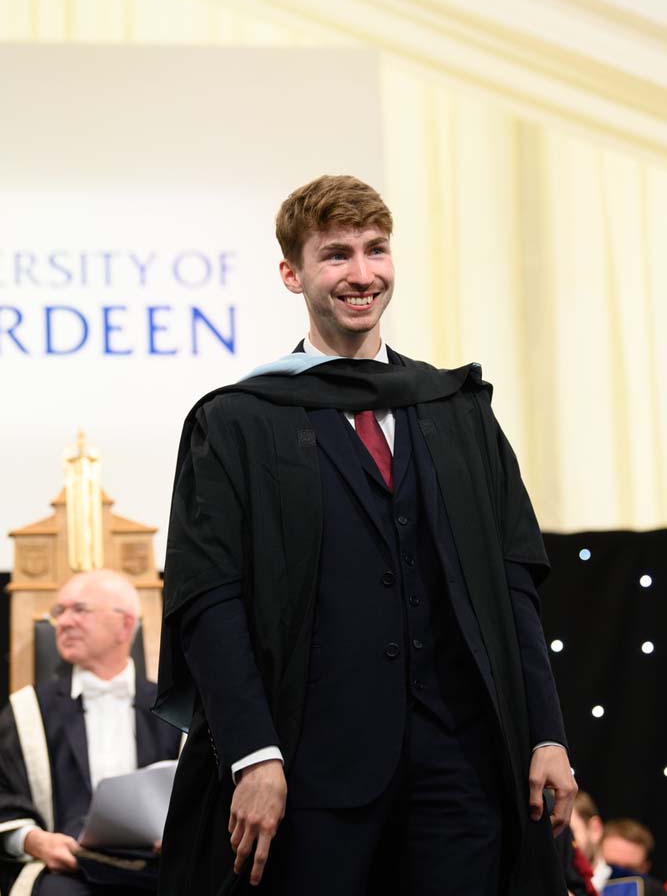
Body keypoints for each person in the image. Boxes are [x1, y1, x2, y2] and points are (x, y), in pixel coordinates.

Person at [155, 174, 577, 895]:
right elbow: (209, 600)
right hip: (310, 773)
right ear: (292, 274)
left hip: (460, 768)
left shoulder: (456, 411)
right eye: (336, 255)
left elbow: (513, 583)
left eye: (375, 250)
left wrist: (545, 732)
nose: (361, 274)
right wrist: (253, 754)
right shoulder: (238, 423)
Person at [0, 569, 182, 896]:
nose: (63, 622)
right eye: (59, 611)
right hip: (65, 869)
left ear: (125, 624)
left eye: (79, 610)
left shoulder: (174, 709)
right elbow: (4, 796)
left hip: (157, 865)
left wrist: (181, 833)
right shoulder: (27, 710)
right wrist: (34, 840)